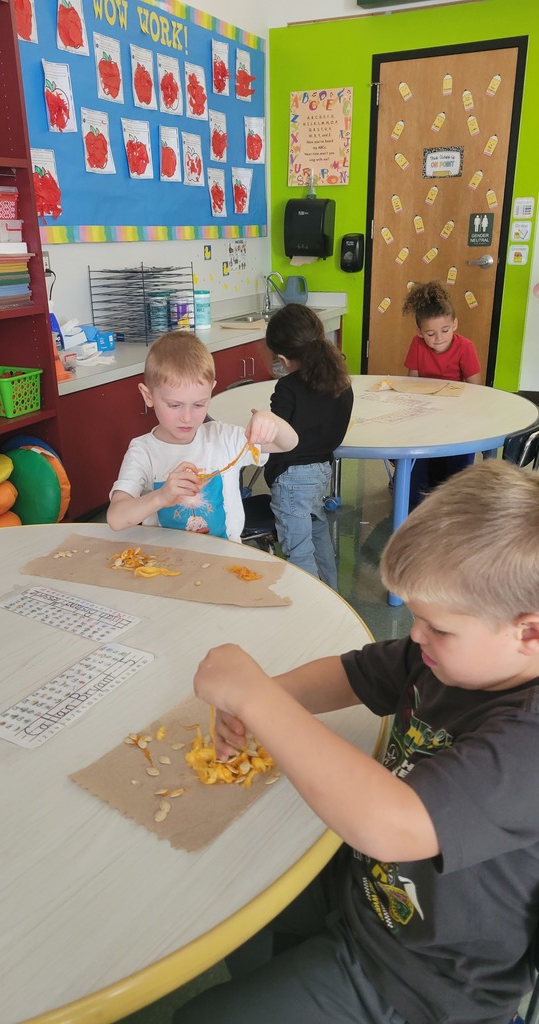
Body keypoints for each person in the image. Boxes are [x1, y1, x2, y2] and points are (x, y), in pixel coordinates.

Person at [175, 459, 539, 1024]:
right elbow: (356, 672)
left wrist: (258, 700)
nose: (414, 635)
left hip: (424, 981)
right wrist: (272, 698)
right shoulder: (445, 661)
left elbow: (393, 823)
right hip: (366, 894)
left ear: (530, 631)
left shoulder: (530, 738)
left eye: (438, 627)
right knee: (235, 903)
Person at [107, 331, 298, 540]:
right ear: (148, 396)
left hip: (224, 560)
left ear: (211, 391)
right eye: (174, 405)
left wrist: (272, 422)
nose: (187, 417)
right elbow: (116, 518)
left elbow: (288, 443)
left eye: (199, 404)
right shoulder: (143, 451)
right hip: (167, 564)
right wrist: (162, 496)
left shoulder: (224, 437)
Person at [262, 304, 353, 590]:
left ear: (283, 358)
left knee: (298, 550)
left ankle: (312, 609)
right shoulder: (341, 382)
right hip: (320, 473)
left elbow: (278, 439)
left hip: (292, 479)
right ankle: (332, 595)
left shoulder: (287, 388)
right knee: (317, 531)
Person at [402, 280, 482, 505]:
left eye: (445, 330)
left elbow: (475, 387)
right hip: (426, 409)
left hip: (455, 412)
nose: (438, 338)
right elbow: (412, 380)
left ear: (455, 324)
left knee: (455, 461)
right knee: (413, 447)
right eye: (430, 333)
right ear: (419, 332)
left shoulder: (465, 347)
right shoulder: (417, 345)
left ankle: (448, 489)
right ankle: (416, 485)